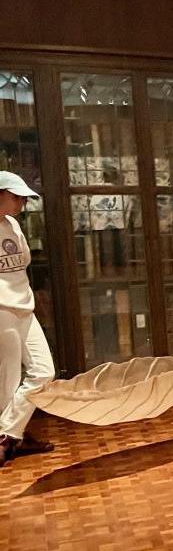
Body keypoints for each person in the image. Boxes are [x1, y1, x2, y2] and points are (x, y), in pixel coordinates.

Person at [0, 171, 56, 466]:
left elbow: (22, 266)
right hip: (1, 310)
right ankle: (10, 437)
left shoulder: (13, 225)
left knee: (43, 371)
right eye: (15, 196)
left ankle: (10, 433)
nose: (22, 202)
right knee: (8, 378)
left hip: (24, 306)